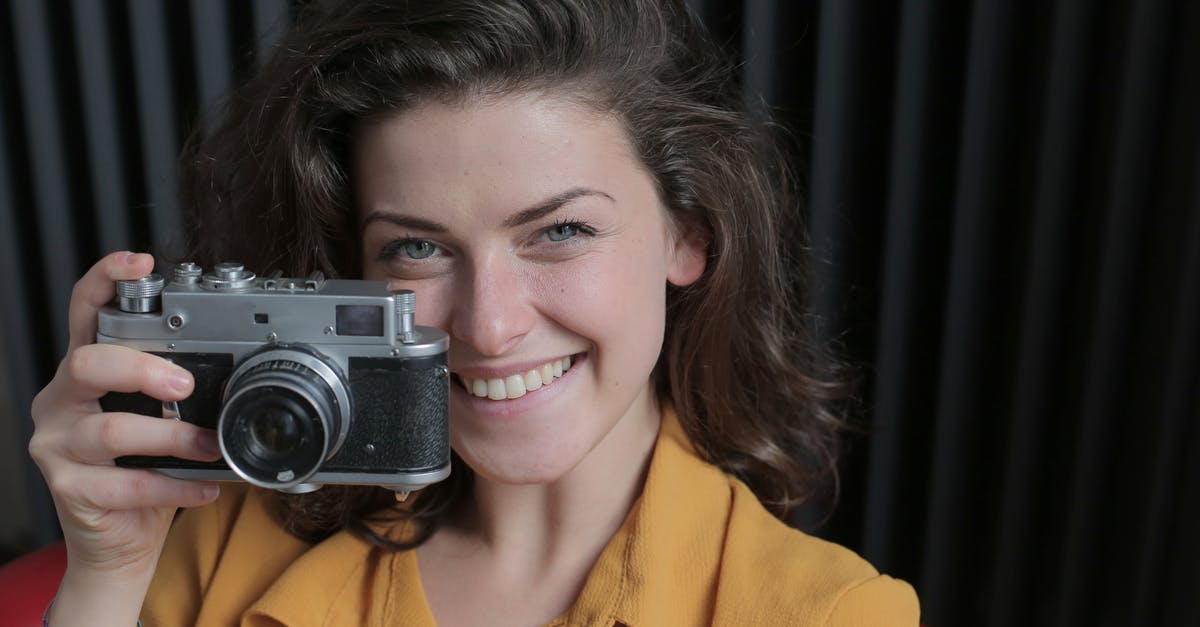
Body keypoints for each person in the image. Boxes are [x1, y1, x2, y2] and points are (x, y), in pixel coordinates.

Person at [29, 1, 919, 625]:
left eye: (560, 230)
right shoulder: (227, 539)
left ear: (688, 235)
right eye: (416, 247)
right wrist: (105, 581)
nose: (487, 326)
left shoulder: (835, 613)